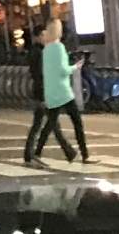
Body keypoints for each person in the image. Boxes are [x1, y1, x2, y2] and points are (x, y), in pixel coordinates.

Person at [23, 20, 86, 166]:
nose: (45, 36)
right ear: (38, 36)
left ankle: (67, 152)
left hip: (44, 91)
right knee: (43, 125)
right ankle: (32, 154)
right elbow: (42, 74)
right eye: (43, 34)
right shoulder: (40, 52)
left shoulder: (40, 50)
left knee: (49, 124)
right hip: (44, 92)